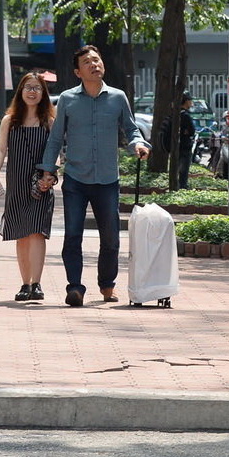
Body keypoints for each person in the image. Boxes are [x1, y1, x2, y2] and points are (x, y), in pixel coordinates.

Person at [37, 45, 151, 308]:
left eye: (97, 60)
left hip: (108, 180)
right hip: (76, 179)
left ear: (103, 65)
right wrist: (48, 170)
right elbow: (56, 138)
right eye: (87, 62)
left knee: (110, 237)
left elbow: (131, 129)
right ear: (78, 71)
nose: (94, 64)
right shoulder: (67, 99)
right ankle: (75, 288)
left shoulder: (117, 97)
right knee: (73, 235)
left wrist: (139, 145)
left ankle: (107, 284)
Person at [0, 72, 57, 302]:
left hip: (41, 182)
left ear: (43, 93)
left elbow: (57, 151)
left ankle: (36, 284)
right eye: (28, 87)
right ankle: (24, 283)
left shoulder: (49, 121)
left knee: (37, 231)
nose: (32, 91)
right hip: (17, 182)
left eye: (37, 88)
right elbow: (1, 149)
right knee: (21, 233)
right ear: (20, 91)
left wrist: (49, 175)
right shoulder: (9, 121)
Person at [159, 91, 197, 189]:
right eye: (190, 100)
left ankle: (176, 186)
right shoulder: (185, 116)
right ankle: (182, 187)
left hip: (175, 147)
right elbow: (192, 131)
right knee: (183, 171)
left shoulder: (174, 113)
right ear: (186, 101)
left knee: (177, 168)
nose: (191, 102)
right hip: (184, 146)